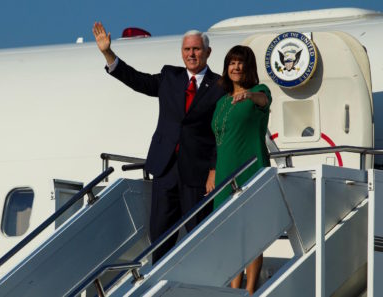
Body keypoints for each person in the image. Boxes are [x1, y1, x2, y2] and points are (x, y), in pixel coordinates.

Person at [92, 22, 224, 263]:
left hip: (197, 172)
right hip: (165, 169)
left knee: (198, 234)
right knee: (160, 235)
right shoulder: (170, 77)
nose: (191, 54)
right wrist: (108, 54)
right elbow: (137, 80)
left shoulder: (219, 86)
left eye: (196, 49)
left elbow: (220, 131)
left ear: (208, 52)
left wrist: (214, 169)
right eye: (187, 50)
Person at [206, 45, 272, 295]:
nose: (236, 67)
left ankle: (251, 290)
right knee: (230, 232)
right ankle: (235, 289)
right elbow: (219, 139)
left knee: (252, 233)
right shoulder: (221, 102)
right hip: (224, 173)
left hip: (250, 169)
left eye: (241, 63)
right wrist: (213, 171)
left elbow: (264, 101)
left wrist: (249, 96)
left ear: (249, 67)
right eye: (232, 63)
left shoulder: (259, 91)